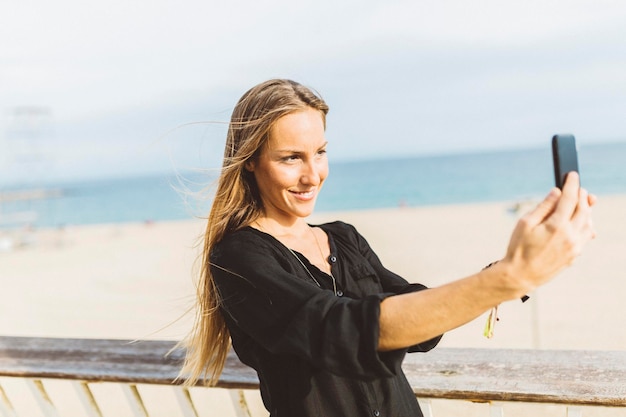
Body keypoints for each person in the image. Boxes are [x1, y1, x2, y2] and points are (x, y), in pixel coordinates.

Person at [179, 79, 596, 416]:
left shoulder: (343, 237)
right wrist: (510, 278)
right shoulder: (238, 257)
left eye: (320, 153)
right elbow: (341, 330)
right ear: (250, 160)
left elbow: (416, 320)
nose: (313, 175)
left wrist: (504, 271)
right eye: (291, 158)